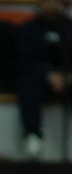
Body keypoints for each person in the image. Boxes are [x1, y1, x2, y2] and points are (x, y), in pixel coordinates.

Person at [16, 0, 72, 159]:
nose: (51, 5)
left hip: (68, 79)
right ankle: (33, 136)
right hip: (41, 80)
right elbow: (24, 61)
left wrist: (68, 76)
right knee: (27, 84)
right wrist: (48, 76)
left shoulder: (69, 27)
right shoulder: (28, 29)